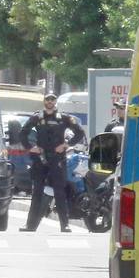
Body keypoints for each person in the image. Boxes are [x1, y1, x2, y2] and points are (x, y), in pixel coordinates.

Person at [20, 92, 87, 232]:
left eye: (52, 99)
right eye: (47, 99)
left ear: (55, 102)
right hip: (40, 159)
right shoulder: (37, 117)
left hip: (57, 159)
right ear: (44, 101)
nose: (50, 102)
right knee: (37, 192)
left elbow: (80, 133)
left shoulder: (64, 118)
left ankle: (65, 225)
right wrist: (31, 148)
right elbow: (23, 133)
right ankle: (30, 225)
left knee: (59, 192)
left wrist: (67, 144)